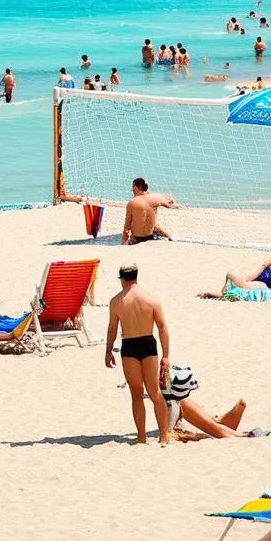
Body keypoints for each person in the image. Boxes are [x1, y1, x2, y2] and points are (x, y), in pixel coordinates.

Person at [105, 264, 170, 445]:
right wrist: (166, 355)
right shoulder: (151, 300)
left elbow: (112, 328)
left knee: (136, 393)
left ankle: (142, 438)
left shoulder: (116, 301)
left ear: (122, 279)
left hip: (129, 346)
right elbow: (162, 327)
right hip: (148, 344)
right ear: (136, 276)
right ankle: (163, 437)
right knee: (155, 393)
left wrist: (108, 350)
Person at [122, 177, 178, 244]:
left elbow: (127, 227)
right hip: (151, 236)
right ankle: (171, 238)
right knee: (157, 226)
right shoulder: (155, 198)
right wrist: (172, 202)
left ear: (137, 187)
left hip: (137, 238)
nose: (132, 189)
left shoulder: (132, 202)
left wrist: (123, 243)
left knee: (133, 224)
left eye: (133, 186)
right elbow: (172, 206)